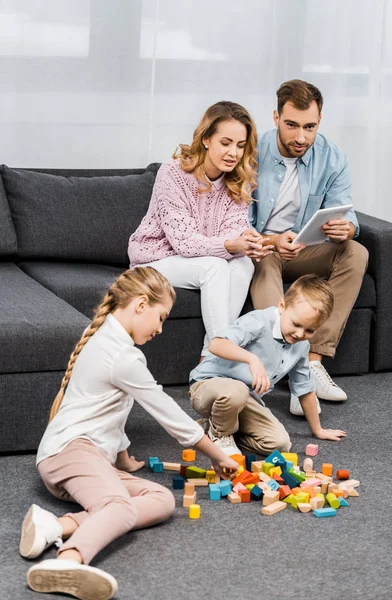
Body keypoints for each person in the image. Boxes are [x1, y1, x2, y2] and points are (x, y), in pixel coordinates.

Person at [20, 267, 238, 600]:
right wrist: (218, 454)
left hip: (82, 457)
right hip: (70, 453)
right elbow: (167, 411)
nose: (161, 329)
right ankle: (69, 559)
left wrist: (122, 460)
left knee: (161, 500)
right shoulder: (122, 355)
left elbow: (110, 411)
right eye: (161, 317)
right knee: (120, 507)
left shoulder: (108, 338)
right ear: (140, 305)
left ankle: (57, 527)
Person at [247, 79, 368, 416]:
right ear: (275, 118)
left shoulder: (332, 157)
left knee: (356, 251)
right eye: (292, 126)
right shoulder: (250, 151)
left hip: (304, 249)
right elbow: (235, 221)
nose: (301, 137)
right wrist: (271, 240)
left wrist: (348, 227)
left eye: (310, 127)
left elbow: (347, 210)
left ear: (319, 121)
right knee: (264, 261)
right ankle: (288, 364)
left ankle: (312, 361)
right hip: (263, 248)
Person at [128, 101, 272, 358]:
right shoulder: (172, 173)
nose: (233, 153)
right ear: (206, 139)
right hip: (155, 258)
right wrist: (230, 244)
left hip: (202, 259)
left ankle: (210, 356)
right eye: (225, 143)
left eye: (240, 145)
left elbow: (234, 232)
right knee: (215, 267)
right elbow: (184, 242)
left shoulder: (239, 181)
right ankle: (223, 355)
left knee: (244, 265)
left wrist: (247, 241)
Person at [189, 275, 346, 456]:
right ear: (282, 306)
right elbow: (215, 344)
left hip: (245, 399)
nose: (299, 333)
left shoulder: (302, 345)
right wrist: (252, 359)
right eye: (296, 324)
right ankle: (220, 434)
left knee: (280, 445)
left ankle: (215, 426)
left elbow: (305, 389)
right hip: (206, 386)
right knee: (236, 390)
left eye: (310, 330)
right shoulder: (258, 321)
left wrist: (318, 430)